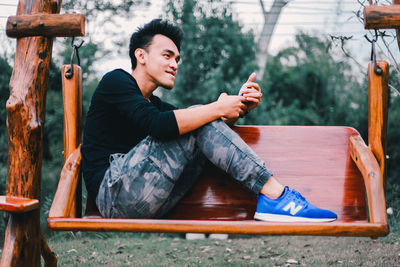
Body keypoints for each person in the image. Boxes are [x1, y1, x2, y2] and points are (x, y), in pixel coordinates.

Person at [81, 19, 337, 222]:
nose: (175, 64)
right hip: (114, 195)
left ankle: (276, 199)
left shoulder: (156, 105)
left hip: (147, 198)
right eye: (167, 56)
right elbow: (159, 124)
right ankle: (277, 196)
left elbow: (200, 128)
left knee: (199, 118)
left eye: (177, 59)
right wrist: (217, 107)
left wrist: (239, 106)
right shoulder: (116, 82)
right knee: (199, 115)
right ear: (141, 55)